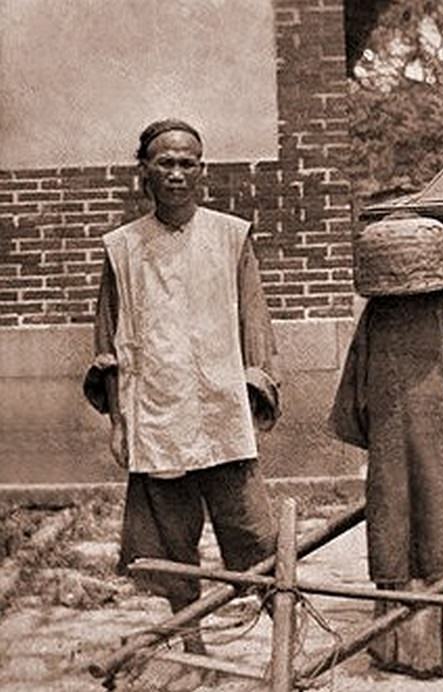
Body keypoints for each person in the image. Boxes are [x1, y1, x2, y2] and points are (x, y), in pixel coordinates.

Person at [83, 119, 280, 655]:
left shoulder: (230, 236)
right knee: (170, 542)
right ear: (143, 170)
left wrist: (255, 393)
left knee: (257, 535)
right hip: (157, 412)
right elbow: (108, 339)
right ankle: (192, 642)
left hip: (220, 410)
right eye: (164, 162)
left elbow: (255, 326)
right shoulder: (122, 248)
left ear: (202, 170)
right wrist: (119, 423)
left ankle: (285, 636)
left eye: (186, 162)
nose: (175, 173)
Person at [330, 214, 443, 677]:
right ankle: (395, 647)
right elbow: (357, 380)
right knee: (393, 525)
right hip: (392, 443)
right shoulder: (378, 315)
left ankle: (442, 648)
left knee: (440, 527)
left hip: (435, 441)